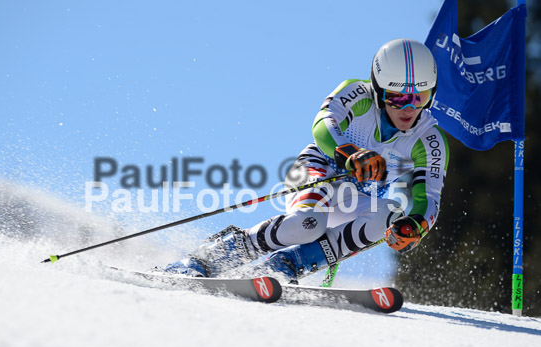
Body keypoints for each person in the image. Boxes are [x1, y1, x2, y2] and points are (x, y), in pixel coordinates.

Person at [164, 38, 449, 283]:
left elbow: (429, 197)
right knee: (306, 224)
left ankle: (286, 265)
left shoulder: (429, 140)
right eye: (397, 98)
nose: (409, 108)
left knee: (390, 215)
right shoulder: (357, 93)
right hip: (319, 170)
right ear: (377, 90)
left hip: (356, 198)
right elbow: (322, 124)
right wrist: (350, 154)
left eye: (420, 97)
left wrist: (416, 226)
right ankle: (207, 258)